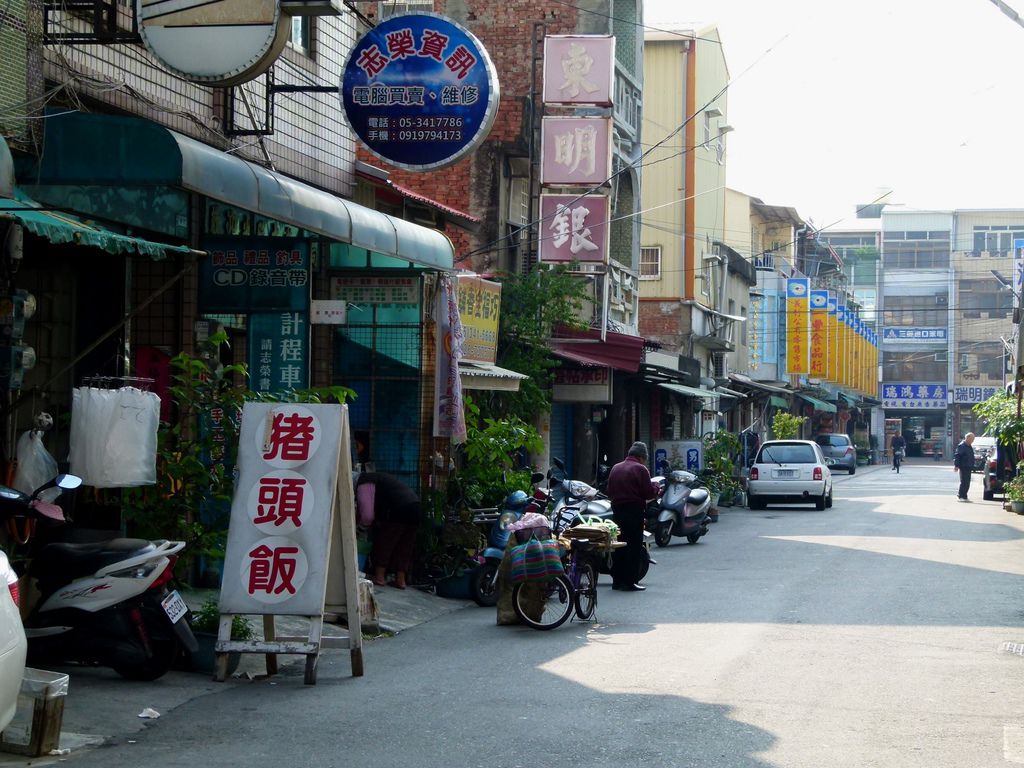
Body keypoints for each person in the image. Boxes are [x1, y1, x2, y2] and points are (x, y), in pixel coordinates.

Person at [606, 442, 660, 592]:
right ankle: (630, 581)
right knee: (633, 546)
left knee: (619, 545)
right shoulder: (640, 469)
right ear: (642, 457)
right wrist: (656, 487)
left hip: (617, 511)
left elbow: (609, 490)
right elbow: (648, 493)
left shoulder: (616, 467)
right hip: (633, 510)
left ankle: (617, 581)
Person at [356, 472, 421, 589]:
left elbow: (367, 516)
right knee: (405, 546)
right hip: (415, 506)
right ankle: (400, 580)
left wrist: (359, 530)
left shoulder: (364, 482)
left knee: (385, 542)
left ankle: (379, 577)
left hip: (399, 508)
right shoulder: (380, 479)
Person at [953, 432, 976, 502]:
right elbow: (957, 456)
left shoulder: (969, 446)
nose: (973, 441)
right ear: (968, 438)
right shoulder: (962, 446)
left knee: (967, 482)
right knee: (964, 481)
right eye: (972, 439)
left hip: (968, 466)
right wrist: (956, 465)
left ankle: (964, 496)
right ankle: (961, 495)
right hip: (963, 466)